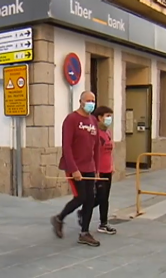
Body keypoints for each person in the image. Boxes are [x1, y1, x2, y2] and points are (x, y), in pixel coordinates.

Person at [50, 91, 101, 247]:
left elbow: (96, 146)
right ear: (81, 101)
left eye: (93, 100)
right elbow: (67, 146)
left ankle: (84, 233)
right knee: (81, 197)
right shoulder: (71, 120)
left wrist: (97, 169)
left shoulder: (93, 121)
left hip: (89, 166)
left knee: (90, 198)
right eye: (88, 100)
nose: (91, 103)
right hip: (75, 167)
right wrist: (74, 169)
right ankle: (59, 218)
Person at [77, 106, 117, 235]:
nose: (109, 119)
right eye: (107, 116)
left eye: (110, 116)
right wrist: (95, 170)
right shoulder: (95, 134)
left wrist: (112, 166)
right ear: (99, 118)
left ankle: (103, 223)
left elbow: (109, 152)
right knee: (100, 197)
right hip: (98, 171)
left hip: (107, 170)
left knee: (105, 197)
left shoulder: (108, 133)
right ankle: (84, 212)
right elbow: (92, 153)